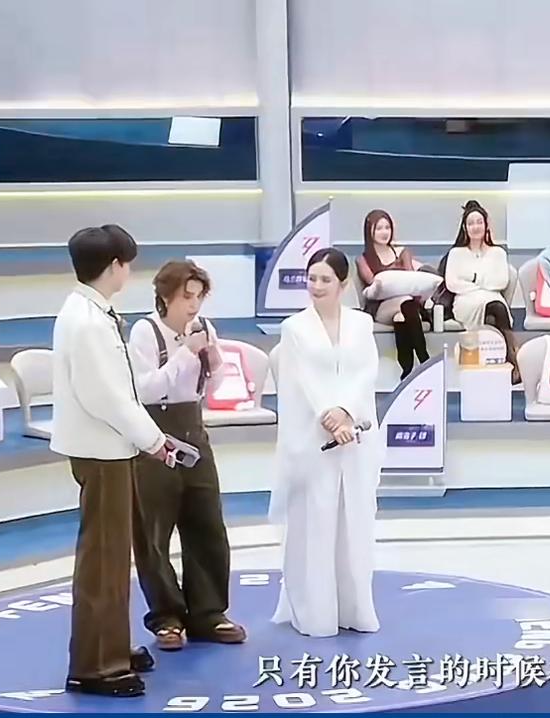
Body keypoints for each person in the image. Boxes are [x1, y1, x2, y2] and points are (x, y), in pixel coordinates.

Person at [50, 225, 175, 698]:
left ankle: (112, 644)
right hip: (101, 450)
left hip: (108, 448)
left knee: (113, 555)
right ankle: (96, 666)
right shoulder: (86, 321)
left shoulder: (89, 311)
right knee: (103, 560)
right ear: (114, 266)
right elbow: (106, 396)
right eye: (127, 263)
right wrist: (153, 439)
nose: (130, 271)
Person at [128, 260, 246, 651]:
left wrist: (213, 361)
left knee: (207, 523)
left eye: (198, 297)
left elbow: (214, 385)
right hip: (155, 435)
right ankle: (167, 617)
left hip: (194, 430)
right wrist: (183, 354)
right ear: (165, 297)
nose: (193, 306)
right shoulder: (145, 332)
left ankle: (209, 613)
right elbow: (146, 390)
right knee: (153, 532)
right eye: (186, 297)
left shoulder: (204, 328)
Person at [270, 247, 384, 638]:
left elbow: (366, 371)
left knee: (354, 524)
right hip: (312, 438)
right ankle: (314, 612)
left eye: (325, 279)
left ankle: (354, 608)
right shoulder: (294, 328)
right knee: (314, 525)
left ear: (343, 284)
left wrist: (347, 411)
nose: (316, 286)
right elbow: (300, 381)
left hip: (355, 435)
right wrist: (329, 415)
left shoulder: (361, 324)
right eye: (312, 278)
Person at [442, 200, 521, 383]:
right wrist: (482, 283)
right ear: (465, 228)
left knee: (495, 311)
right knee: (495, 310)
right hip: (465, 302)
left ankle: (501, 363)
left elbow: (501, 281)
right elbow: (452, 284)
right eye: (471, 223)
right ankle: (513, 362)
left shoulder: (498, 253)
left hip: (492, 298)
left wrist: (471, 279)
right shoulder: (456, 253)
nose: (475, 227)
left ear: (486, 225)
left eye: (479, 222)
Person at [356, 209, 431, 379]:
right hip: (381, 307)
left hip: (406, 305)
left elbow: (412, 280)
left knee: (401, 316)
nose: (384, 232)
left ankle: (407, 369)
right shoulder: (363, 260)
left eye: (387, 227)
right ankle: (424, 358)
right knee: (405, 304)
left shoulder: (402, 253)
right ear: (369, 231)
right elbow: (372, 284)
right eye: (379, 228)